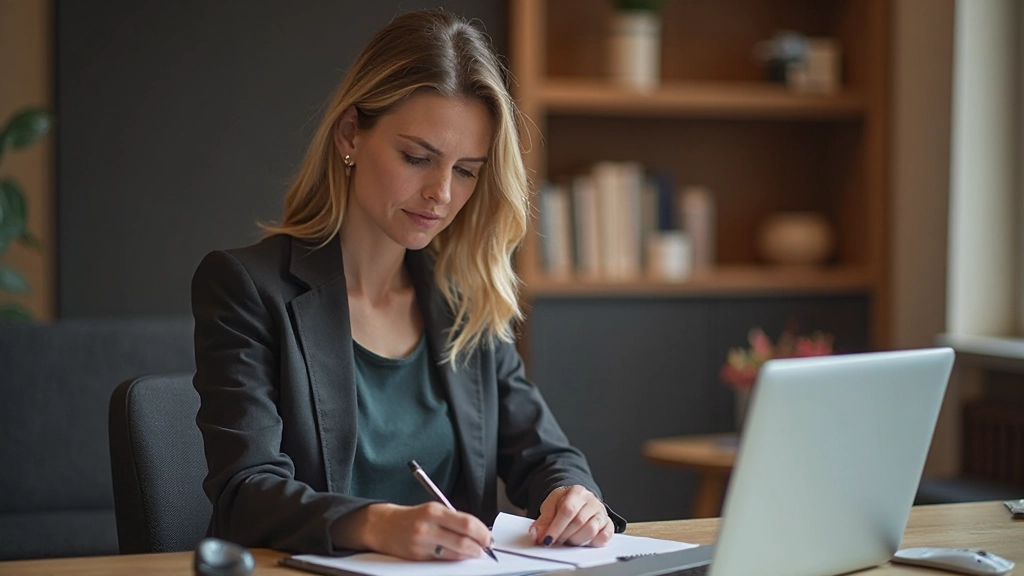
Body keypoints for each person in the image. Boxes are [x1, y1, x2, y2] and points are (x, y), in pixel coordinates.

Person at [190, 8, 625, 560]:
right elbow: (243, 492)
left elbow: (543, 454)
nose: (441, 193)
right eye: (418, 157)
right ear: (351, 134)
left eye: (466, 170)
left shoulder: (464, 296)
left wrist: (573, 495)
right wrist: (374, 525)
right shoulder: (247, 288)